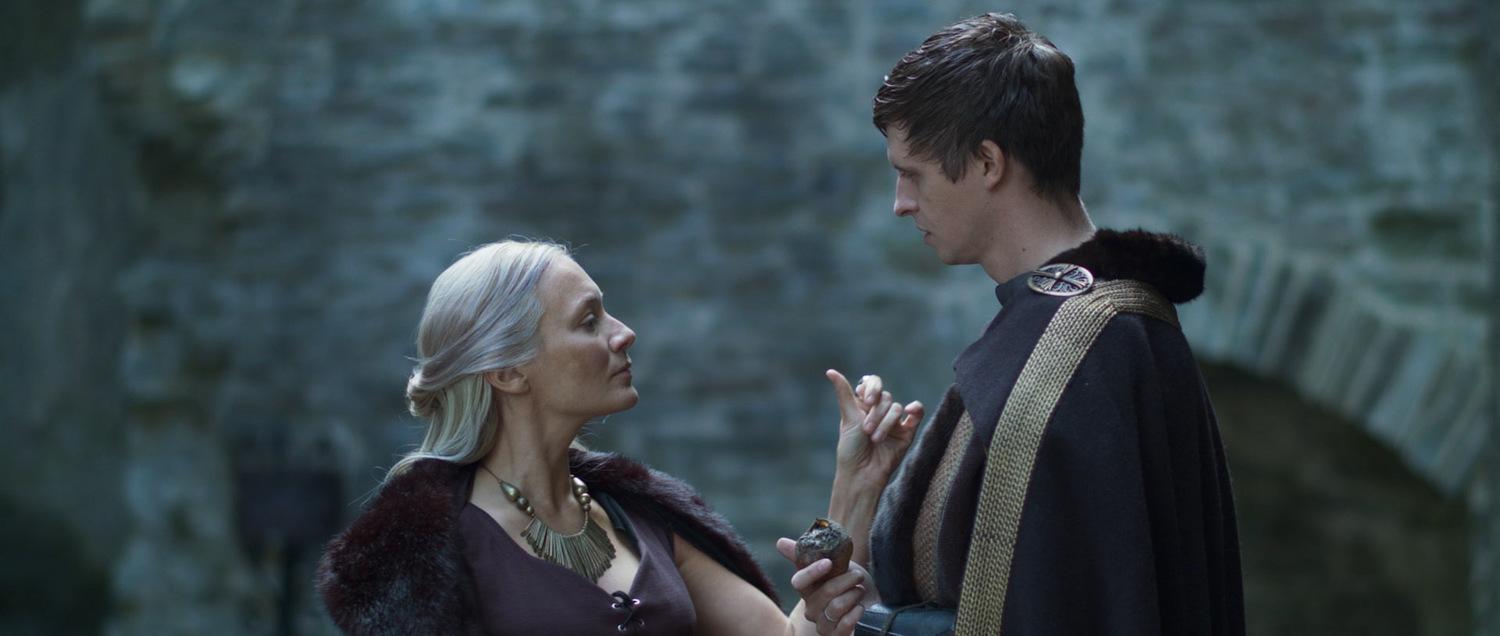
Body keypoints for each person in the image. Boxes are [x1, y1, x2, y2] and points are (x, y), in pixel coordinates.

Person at [790, 12, 1246, 636]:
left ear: (987, 162)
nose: (900, 203)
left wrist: (878, 627)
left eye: (912, 173)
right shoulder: (1073, 334)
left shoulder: (1083, 349)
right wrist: (870, 602)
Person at [315, 240, 923, 635]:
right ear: (507, 372)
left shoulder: (641, 513)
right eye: (589, 321)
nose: (624, 333)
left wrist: (858, 481)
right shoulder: (429, 551)